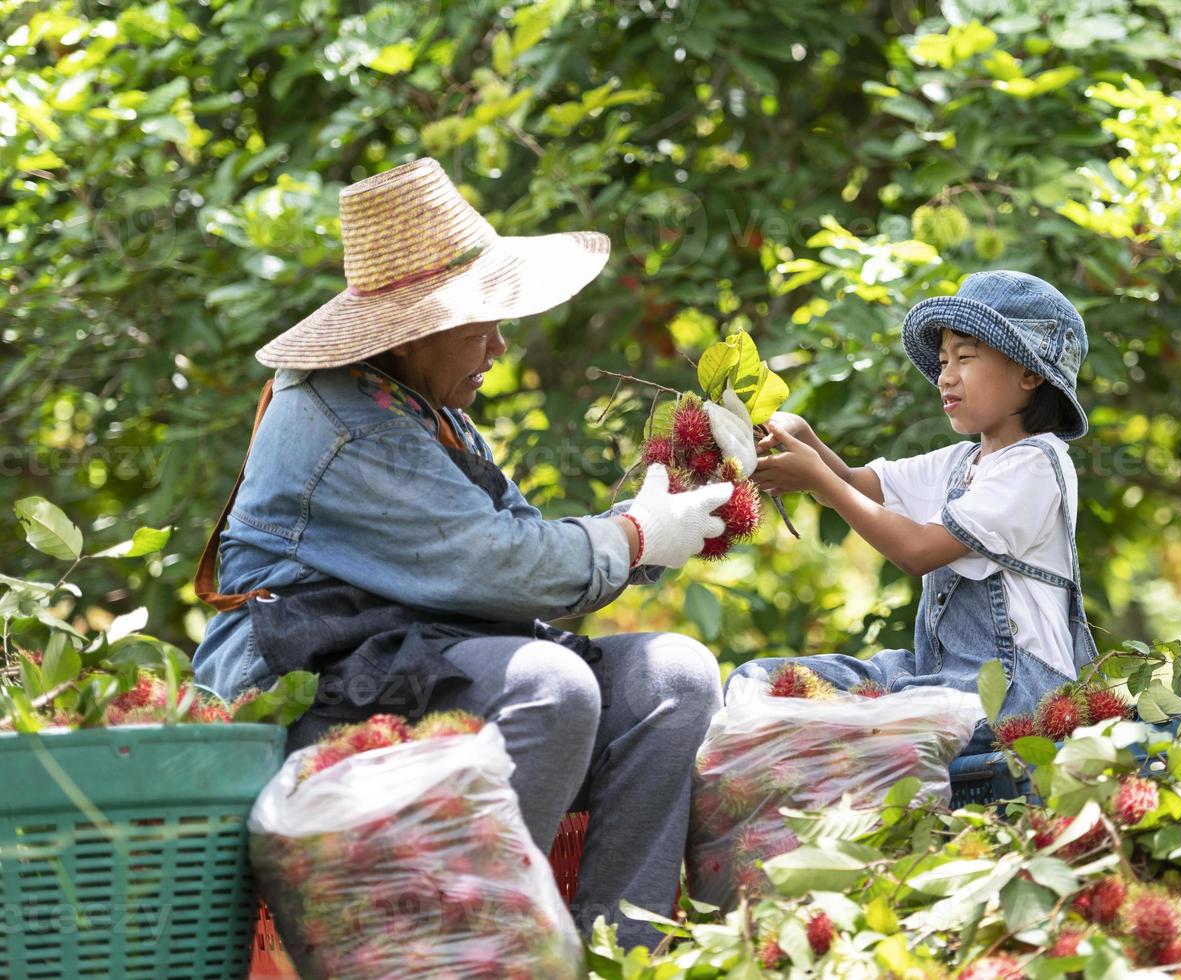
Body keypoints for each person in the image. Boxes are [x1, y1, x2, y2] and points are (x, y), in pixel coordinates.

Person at [189, 157, 748, 946]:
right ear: (413, 332)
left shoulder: (425, 405)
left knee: (674, 677)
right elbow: (497, 563)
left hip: (430, 667)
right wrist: (633, 537)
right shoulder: (342, 421)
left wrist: (659, 519)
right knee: (551, 685)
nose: (498, 346)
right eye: (479, 325)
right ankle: (474, 955)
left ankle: (624, 949)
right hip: (317, 694)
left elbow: (522, 548)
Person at [742, 270, 1101, 725]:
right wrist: (804, 436)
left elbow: (918, 551)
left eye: (964, 358)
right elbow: (857, 485)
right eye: (944, 360)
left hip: (1012, 694)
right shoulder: (962, 461)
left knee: (855, 725)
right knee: (761, 681)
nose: (945, 377)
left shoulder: (1037, 464)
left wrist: (815, 477)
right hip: (942, 677)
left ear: (1029, 373)